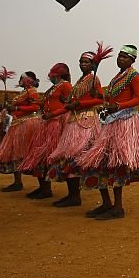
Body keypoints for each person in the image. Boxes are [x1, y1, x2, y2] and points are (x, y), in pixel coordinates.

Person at [77, 45, 139, 220]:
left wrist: (118, 106)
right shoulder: (117, 78)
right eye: (119, 56)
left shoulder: (134, 75)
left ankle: (118, 207)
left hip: (124, 123)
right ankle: (106, 203)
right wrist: (102, 99)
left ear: (133, 60)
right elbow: (110, 99)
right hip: (111, 123)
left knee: (114, 163)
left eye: (125, 57)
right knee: (97, 162)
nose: (121, 59)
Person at [47, 48, 107, 207]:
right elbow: (71, 104)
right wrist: (62, 105)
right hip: (74, 121)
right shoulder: (81, 81)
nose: (82, 64)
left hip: (86, 121)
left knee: (80, 157)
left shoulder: (94, 80)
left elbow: (99, 100)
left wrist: (79, 103)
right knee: (68, 158)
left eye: (86, 62)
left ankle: (78, 196)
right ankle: (73, 195)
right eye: (81, 61)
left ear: (93, 64)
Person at [20, 64, 73, 199]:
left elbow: (69, 105)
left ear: (58, 74)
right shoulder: (54, 87)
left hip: (57, 124)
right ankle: (44, 188)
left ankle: (71, 194)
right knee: (40, 157)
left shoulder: (66, 86)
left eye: (53, 74)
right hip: (46, 123)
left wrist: (53, 114)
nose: (50, 76)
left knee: (55, 158)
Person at [0, 72, 43, 191]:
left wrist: (17, 108)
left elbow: (35, 107)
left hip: (26, 124)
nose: (20, 80)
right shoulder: (24, 92)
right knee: (15, 152)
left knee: (22, 152)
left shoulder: (32, 91)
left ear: (28, 80)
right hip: (17, 124)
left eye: (22, 78)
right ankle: (18, 182)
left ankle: (40, 186)